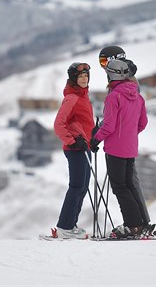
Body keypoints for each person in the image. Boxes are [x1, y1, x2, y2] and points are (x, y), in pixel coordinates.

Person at [90, 59, 149, 238]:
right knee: (129, 185)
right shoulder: (138, 97)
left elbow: (108, 126)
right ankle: (142, 223)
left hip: (115, 149)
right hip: (130, 148)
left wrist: (95, 140)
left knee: (120, 187)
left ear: (112, 75)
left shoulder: (113, 96)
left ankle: (133, 226)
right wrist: (129, 135)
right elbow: (143, 123)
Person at [51, 62, 94, 239]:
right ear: (73, 79)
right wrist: (73, 141)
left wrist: (93, 139)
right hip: (75, 149)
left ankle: (71, 225)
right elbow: (58, 125)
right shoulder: (72, 98)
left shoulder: (83, 96)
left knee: (82, 187)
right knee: (76, 187)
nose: (84, 79)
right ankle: (64, 227)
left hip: (84, 147)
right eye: (81, 76)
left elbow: (82, 124)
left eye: (86, 76)